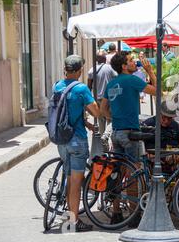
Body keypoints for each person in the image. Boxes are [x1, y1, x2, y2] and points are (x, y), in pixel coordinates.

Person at [100, 51, 156, 226]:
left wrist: (115, 117)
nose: (134, 63)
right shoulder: (132, 80)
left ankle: (116, 212)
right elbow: (157, 92)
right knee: (134, 172)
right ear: (124, 66)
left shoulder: (112, 84)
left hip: (116, 132)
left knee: (117, 171)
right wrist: (150, 71)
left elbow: (102, 110)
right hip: (130, 133)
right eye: (131, 61)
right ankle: (133, 214)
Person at [55, 55, 100, 232]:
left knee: (68, 179)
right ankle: (73, 222)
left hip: (61, 140)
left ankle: (69, 217)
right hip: (77, 140)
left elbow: (66, 111)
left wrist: (84, 120)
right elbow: (96, 111)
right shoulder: (81, 88)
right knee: (76, 182)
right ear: (80, 70)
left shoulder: (57, 86)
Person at [87, 51, 117, 136]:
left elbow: (88, 87)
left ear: (96, 59)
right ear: (105, 59)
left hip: (97, 98)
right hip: (109, 97)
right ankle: (108, 136)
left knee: (100, 118)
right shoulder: (110, 68)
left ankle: (103, 136)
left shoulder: (91, 70)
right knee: (110, 118)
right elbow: (116, 80)